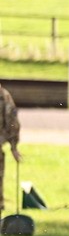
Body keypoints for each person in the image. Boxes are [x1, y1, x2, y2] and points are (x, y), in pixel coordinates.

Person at [0, 82, 21, 215]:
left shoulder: (3, 96)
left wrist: (14, 146)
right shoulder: (3, 95)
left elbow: (12, 121)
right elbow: (12, 121)